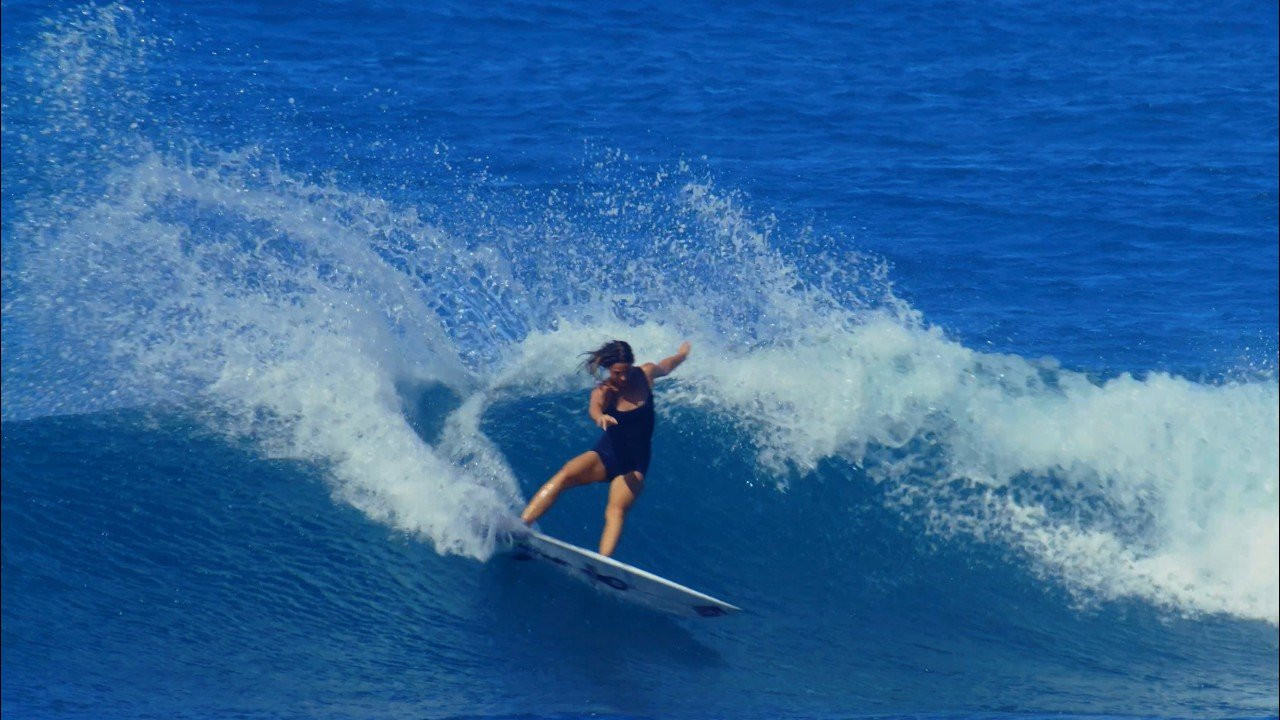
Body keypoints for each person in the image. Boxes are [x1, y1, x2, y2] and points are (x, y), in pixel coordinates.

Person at [520, 339, 691, 557]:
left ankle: (602, 563)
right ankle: (523, 524)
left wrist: (682, 355)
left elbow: (665, 366)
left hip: (634, 463)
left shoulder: (644, 375)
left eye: (626, 371)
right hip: (605, 455)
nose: (622, 377)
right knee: (565, 474)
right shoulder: (604, 391)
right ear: (609, 369)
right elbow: (595, 409)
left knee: (615, 510)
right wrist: (600, 417)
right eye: (616, 373)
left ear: (632, 364)